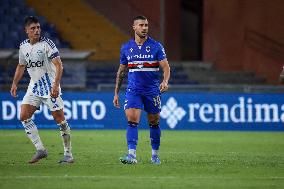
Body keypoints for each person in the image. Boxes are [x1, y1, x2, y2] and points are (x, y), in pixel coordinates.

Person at [10, 16, 74, 164]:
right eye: (33, 28)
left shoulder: (47, 44)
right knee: (24, 115)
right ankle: (41, 150)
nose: (37, 30)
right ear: (26, 30)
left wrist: (56, 85)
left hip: (50, 86)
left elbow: (59, 65)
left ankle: (68, 154)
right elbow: (21, 65)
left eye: (38, 27)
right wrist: (14, 83)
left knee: (60, 120)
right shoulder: (23, 46)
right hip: (34, 86)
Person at [113, 15, 170, 165]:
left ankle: (155, 156)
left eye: (146, 25)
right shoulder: (126, 48)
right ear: (134, 27)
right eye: (141, 25)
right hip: (133, 90)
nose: (144, 28)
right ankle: (132, 156)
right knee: (132, 120)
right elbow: (121, 71)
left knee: (154, 122)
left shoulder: (156, 46)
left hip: (152, 91)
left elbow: (165, 67)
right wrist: (116, 93)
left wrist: (165, 81)